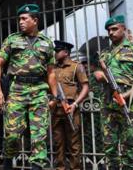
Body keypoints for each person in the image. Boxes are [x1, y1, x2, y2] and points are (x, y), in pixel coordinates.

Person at [0, 4, 57, 170]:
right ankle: (8, 162)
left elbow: (51, 73)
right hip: (17, 90)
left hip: (39, 91)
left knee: (39, 137)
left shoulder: (47, 43)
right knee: (12, 135)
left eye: (24, 19)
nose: (20, 22)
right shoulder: (12, 39)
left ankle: (37, 166)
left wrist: (55, 97)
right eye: (19, 19)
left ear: (35, 20)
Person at [93, 15, 133, 170]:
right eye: (108, 30)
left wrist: (127, 94)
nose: (111, 33)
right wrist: (98, 74)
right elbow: (99, 72)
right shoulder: (104, 53)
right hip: (107, 103)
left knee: (129, 145)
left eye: (114, 29)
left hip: (128, 103)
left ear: (123, 29)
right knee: (109, 146)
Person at [50, 41, 89, 170]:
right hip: (56, 110)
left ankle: (75, 168)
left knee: (74, 143)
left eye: (57, 51)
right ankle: (60, 167)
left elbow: (85, 87)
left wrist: (76, 104)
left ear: (66, 52)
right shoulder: (52, 69)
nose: (55, 53)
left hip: (71, 108)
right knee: (58, 143)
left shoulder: (76, 67)